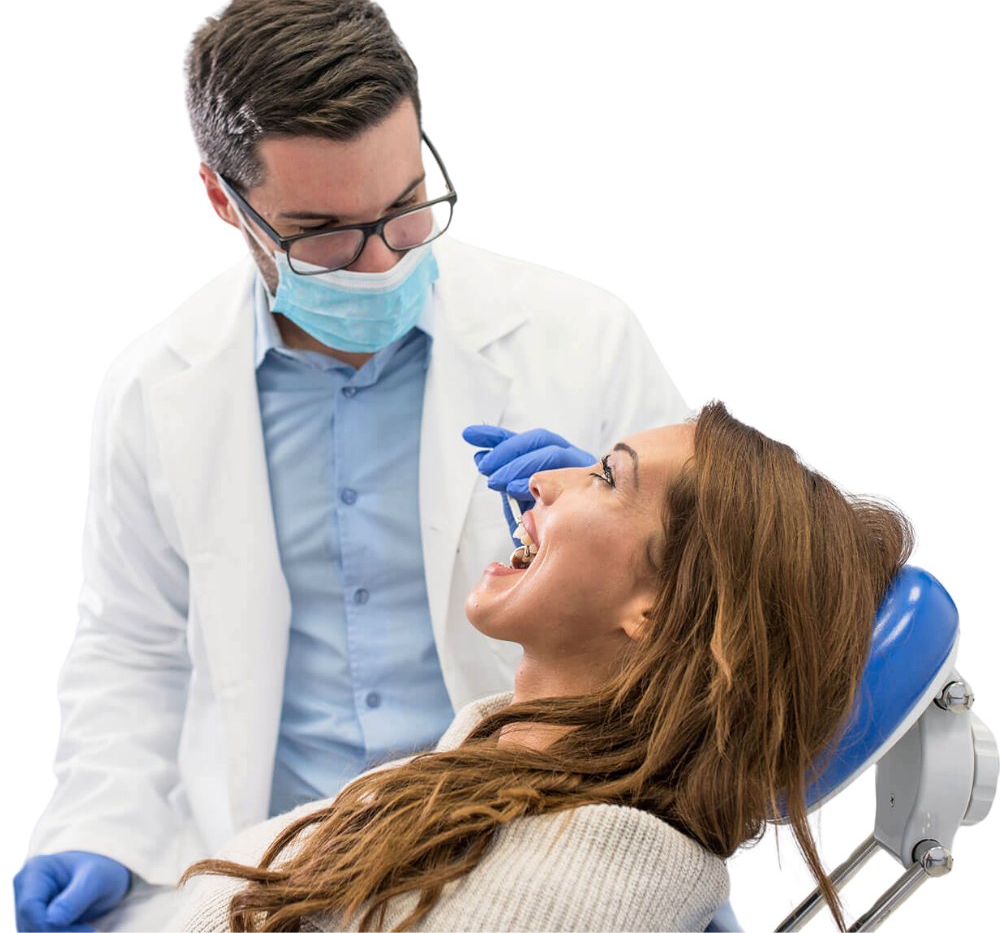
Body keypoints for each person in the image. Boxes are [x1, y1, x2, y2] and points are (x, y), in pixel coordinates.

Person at [13, 0, 692, 933]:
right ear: (220, 197)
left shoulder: (581, 337)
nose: (382, 263)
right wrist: (98, 826)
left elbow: (715, 606)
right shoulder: (153, 387)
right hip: (277, 867)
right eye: (323, 236)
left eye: (407, 206)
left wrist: (634, 523)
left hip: (526, 839)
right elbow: (134, 645)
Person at [165, 398, 917, 933]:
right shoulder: (481, 782)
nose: (541, 481)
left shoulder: (571, 886)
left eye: (604, 476)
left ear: (658, 609)